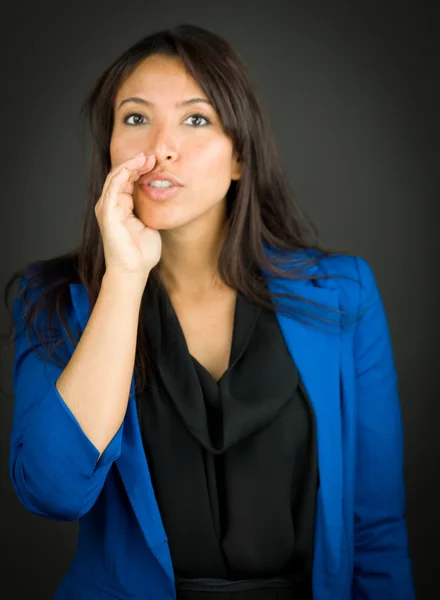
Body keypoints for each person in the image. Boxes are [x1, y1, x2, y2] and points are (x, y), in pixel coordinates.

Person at [4, 23, 415, 600]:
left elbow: (375, 527)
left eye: (196, 119)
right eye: (135, 118)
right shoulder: (50, 299)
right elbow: (53, 493)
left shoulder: (343, 294)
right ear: (110, 151)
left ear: (240, 157)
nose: (161, 147)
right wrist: (124, 278)